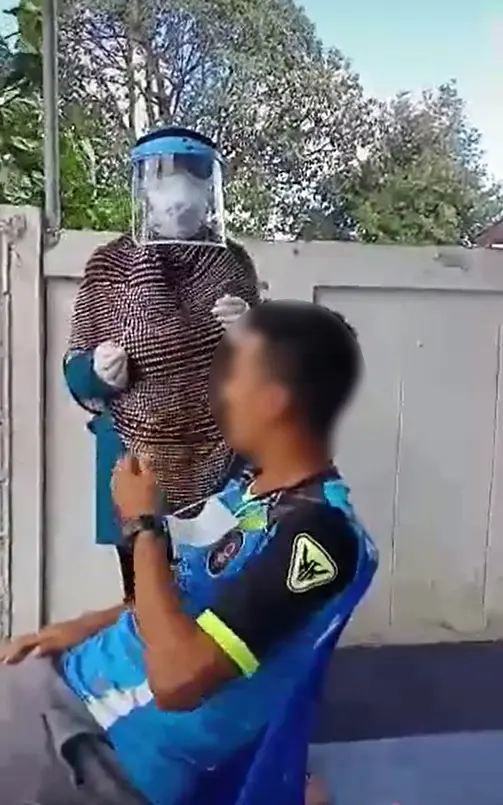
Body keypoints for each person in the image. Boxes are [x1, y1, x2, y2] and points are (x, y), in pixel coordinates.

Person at [0, 300, 378, 805]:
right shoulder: (250, 492)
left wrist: (143, 525)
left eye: (230, 377)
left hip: (95, 746)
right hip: (67, 683)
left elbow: (175, 682)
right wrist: (77, 629)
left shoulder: (319, 536)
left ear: (274, 401)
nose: (214, 393)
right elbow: (182, 595)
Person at [63, 126, 260, 601]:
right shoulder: (111, 264)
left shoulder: (233, 264)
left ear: (208, 193)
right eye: (166, 194)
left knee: (218, 593)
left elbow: (264, 372)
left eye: (189, 195)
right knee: (143, 596)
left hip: (222, 461)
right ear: (145, 193)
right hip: (133, 457)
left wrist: (252, 332)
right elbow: (76, 368)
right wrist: (96, 371)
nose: (178, 207)